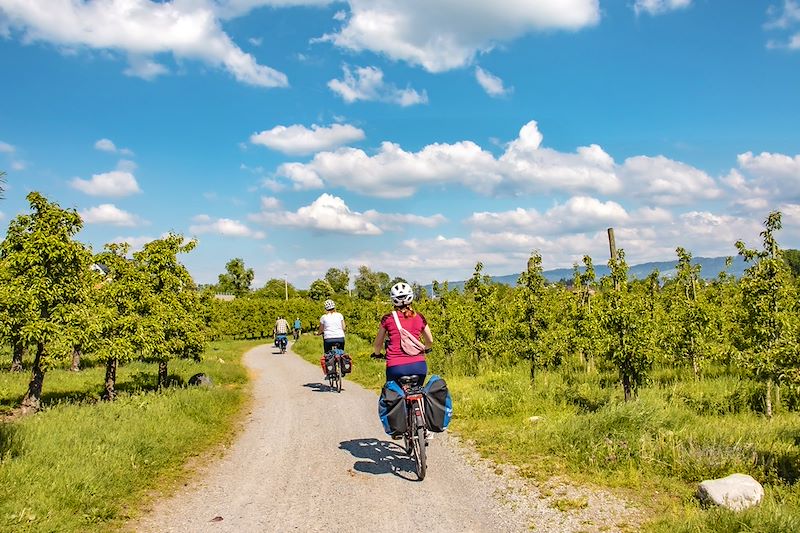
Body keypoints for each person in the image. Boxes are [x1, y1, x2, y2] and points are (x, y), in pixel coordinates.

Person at [371, 282, 433, 383]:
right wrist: (427, 349)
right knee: (420, 390)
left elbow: (378, 344)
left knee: (390, 394)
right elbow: (430, 340)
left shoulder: (388, 318)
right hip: (419, 366)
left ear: (393, 299)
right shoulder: (419, 317)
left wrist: (377, 354)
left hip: (395, 367)